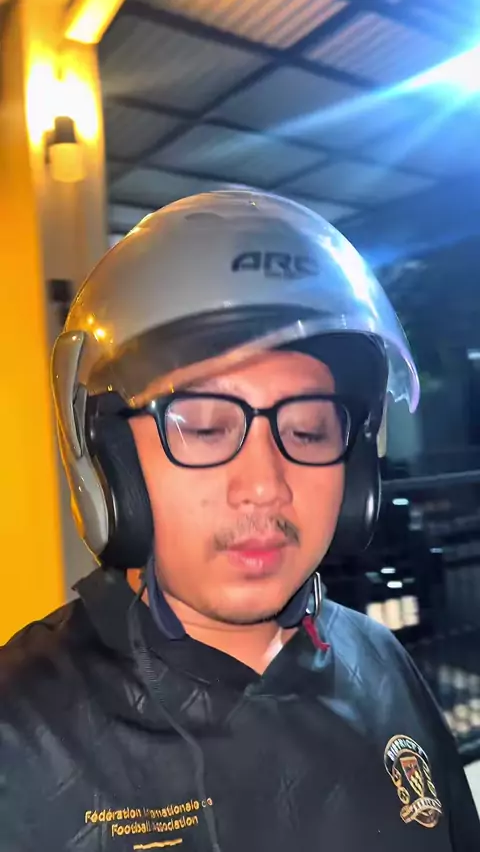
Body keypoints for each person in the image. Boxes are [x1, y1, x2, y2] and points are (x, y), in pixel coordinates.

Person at [1, 191, 478, 852]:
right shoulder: (22, 735)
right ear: (108, 460)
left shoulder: (382, 662)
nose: (264, 486)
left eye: (307, 431)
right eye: (202, 427)